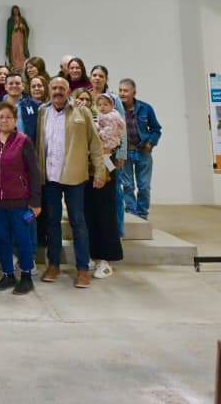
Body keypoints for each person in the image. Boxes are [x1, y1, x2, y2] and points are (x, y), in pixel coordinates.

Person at [38, 77, 104, 288]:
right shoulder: (42, 112)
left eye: (62, 88)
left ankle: (82, 269)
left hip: (74, 175)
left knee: (78, 221)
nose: (58, 91)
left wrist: (100, 171)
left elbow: (95, 143)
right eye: (54, 88)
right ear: (49, 91)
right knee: (52, 222)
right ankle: (54, 264)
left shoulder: (81, 111)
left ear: (69, 91)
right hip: (50, 177)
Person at [0, 101, 41, 295]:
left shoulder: (23, 141)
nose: (4, 120)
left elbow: (34, 172)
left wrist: (35, 201)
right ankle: (8, 274)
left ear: (15, 120)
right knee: (1, 238)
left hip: (19, 201)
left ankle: (26, 276)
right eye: (0, 117)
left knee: (22, 239)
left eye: (8, 117)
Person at [85, 91, 125, 279]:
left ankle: (107, 259)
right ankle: (94, 255)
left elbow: (118, 136)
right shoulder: (92, 116)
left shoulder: (113, 115)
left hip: (107, 160)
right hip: (87, 168)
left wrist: (115, 154)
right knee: (90, 212)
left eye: (87, 99)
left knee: (106, 210)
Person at [118, 78, 162, 221]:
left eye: (125, 90)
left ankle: (142, 213)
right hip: (125, 153)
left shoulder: (145, 108)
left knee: (144, 186)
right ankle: (131, 212)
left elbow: (156, 129)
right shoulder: (116, 109)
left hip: (143, 152)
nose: (122, 93)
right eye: (120, 90)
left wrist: (151, 143)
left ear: (134, 92)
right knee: (127, 185)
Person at [6, 5, 30, 72]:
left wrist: (23, 27)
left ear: (18, 11)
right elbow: (8, 30)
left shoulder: (22, 19)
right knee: (14, 50)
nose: (15, 12)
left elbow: (27, 29)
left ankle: (21, 65)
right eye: (14, 10)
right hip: (14, 37)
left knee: (21, 50)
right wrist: (14, 28)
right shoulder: (10, 20)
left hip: (21, 37)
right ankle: (15, 65)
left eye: (16, 10)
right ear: (12, 11)